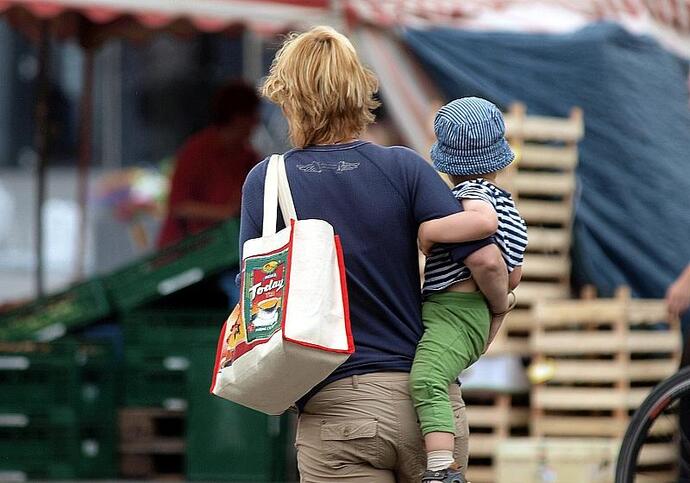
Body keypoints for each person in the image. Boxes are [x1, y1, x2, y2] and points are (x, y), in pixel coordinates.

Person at [239, 26, 509, 482]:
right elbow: (484, 258)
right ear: (359, 91)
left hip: (336, 411)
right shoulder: (404, 168)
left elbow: (253, 297)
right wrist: (499, 307)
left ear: (288, 99)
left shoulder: (269, 182)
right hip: (427, 407)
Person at [410, 98, 528, 482]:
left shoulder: (472, 195)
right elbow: (514, 274)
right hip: (470, 314)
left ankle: (441, 469)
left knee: (427, 378)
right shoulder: (509, 206)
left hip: (455, 311)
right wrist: (497, 304)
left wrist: (428, 231)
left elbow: (483, 224)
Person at [157, 80, 260, 248]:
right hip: (185, 251)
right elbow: (179, 206)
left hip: (224, 246)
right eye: (253, 115)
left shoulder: (249, 157)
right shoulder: (198, 151)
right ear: (237, 118)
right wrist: (225, 213)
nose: (257, 122)